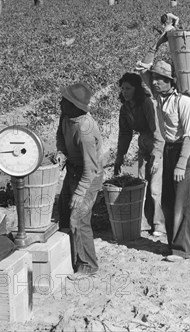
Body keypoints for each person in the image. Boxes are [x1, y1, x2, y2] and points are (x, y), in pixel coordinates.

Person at [136, 41, 190, 262]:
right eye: (154, 78)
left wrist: (181, 163)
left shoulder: (186, 102)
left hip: (183, 152)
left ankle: (184, 249)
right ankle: (174, 245)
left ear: (171, 82)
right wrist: (159, 40)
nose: (154, 81)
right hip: (169, 150)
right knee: (169, 199)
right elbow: (142, 69)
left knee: (182, 202)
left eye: (160, 79)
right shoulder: (160, 96)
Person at [54, 82, 103, 279]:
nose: (60, 104)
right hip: (73, 171)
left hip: (88, 178)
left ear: (76, 106)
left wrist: (80, 193)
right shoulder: (66, 116)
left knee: (79, 218)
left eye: (64, 101)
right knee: (64, 214)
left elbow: (90, 169)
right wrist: (60, 151)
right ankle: (69, 258)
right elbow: (59, 134)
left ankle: (88, 265)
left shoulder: (85, 130)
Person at [114, 73, 166, 237]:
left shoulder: (147, 103)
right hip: (143, 143)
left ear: (136, 89)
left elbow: (158, 131)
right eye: (122, 88)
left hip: (156, 142)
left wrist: (157, 156)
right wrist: (120, 156)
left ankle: (160, 224)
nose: (125, 92)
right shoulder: (126, 107)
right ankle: (144, 222)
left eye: (128, 88)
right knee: (143, 183)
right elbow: (124, 133)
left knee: (156, 187)